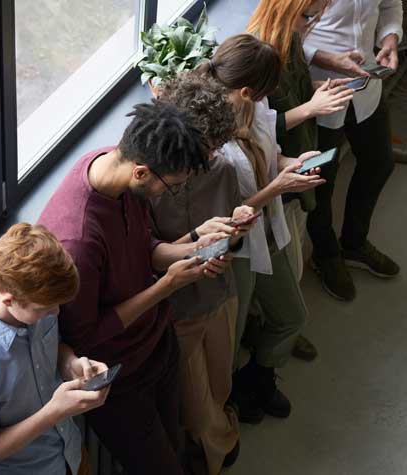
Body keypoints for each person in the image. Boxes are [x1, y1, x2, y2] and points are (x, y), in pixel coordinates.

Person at [39, 100, 229, 475]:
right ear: (142, 173)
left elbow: (145, 248)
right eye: (171, 187)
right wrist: (167, 286)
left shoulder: (116, 167)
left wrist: (190, 247)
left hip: (157, 342)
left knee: (175, 443)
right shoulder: (77, 241)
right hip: (120, 381)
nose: (168, 194)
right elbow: (86, 338)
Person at [197, 34, 325, 424]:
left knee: (292, 315)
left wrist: (288, 162)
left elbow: (269, 152)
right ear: (246, 90)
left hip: (267, 234)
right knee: (230, 339)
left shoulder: (255, 105)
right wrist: (277, 189)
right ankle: (235, 390)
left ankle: (260, 375)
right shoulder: (210, 141)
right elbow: (223, 217)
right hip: (236, 249)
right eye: (265, 91)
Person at [0, 223, 109, 475]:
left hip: (70, 452)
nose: (56, 313)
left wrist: (71, 362)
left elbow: (54, 350)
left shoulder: (37, 302)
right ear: (9, 300)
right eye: (46, 309)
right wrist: (54, 411)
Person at [150, 72, 255, 474]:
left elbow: (230, 236)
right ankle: (215, 449)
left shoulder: (223, 170)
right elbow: (145, 255)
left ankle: (221, 439)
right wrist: (191, 250)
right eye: (207, 148)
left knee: (221, 383)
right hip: (178, 310)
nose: (213, 156)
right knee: (194, 408)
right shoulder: (152, 185)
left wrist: (235, 236)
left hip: (219, 293)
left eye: (217, 147)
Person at [247, 0, 355, 361]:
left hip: (295, 160)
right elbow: (255, 128)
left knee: (292, 257)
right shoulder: (257, 54)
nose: (315, 23)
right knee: (285, 266)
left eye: (321, 13)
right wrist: (311, 108)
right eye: (310, 15)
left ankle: (282, 327)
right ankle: (280, 331)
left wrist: (320, 93)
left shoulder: (291, 38)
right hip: (276, 176)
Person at [303, 0, 403, 301]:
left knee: (379, 163)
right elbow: (276, 32)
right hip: (321, 94)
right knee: (321, 179)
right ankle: (325, 254)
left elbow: (389, 5)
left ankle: (354, 244)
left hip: (366, 86)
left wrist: (389, 40)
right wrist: (327, 60)